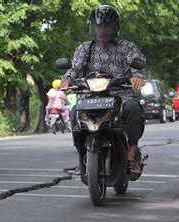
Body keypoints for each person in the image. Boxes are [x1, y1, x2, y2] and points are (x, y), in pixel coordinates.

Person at [60, 5, 146, 175]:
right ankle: (83, 158)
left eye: (106, 26)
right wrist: (67, 79)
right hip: (91, 96)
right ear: (92, 28)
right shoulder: (85, 48)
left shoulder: (126, 47)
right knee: (75, 112)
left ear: (115, 28)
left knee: (133, 109)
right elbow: (75, 67)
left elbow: (138, 65)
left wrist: (137, 76)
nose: (102, 31)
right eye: (98, 26)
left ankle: (130, 157)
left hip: (121, 95)